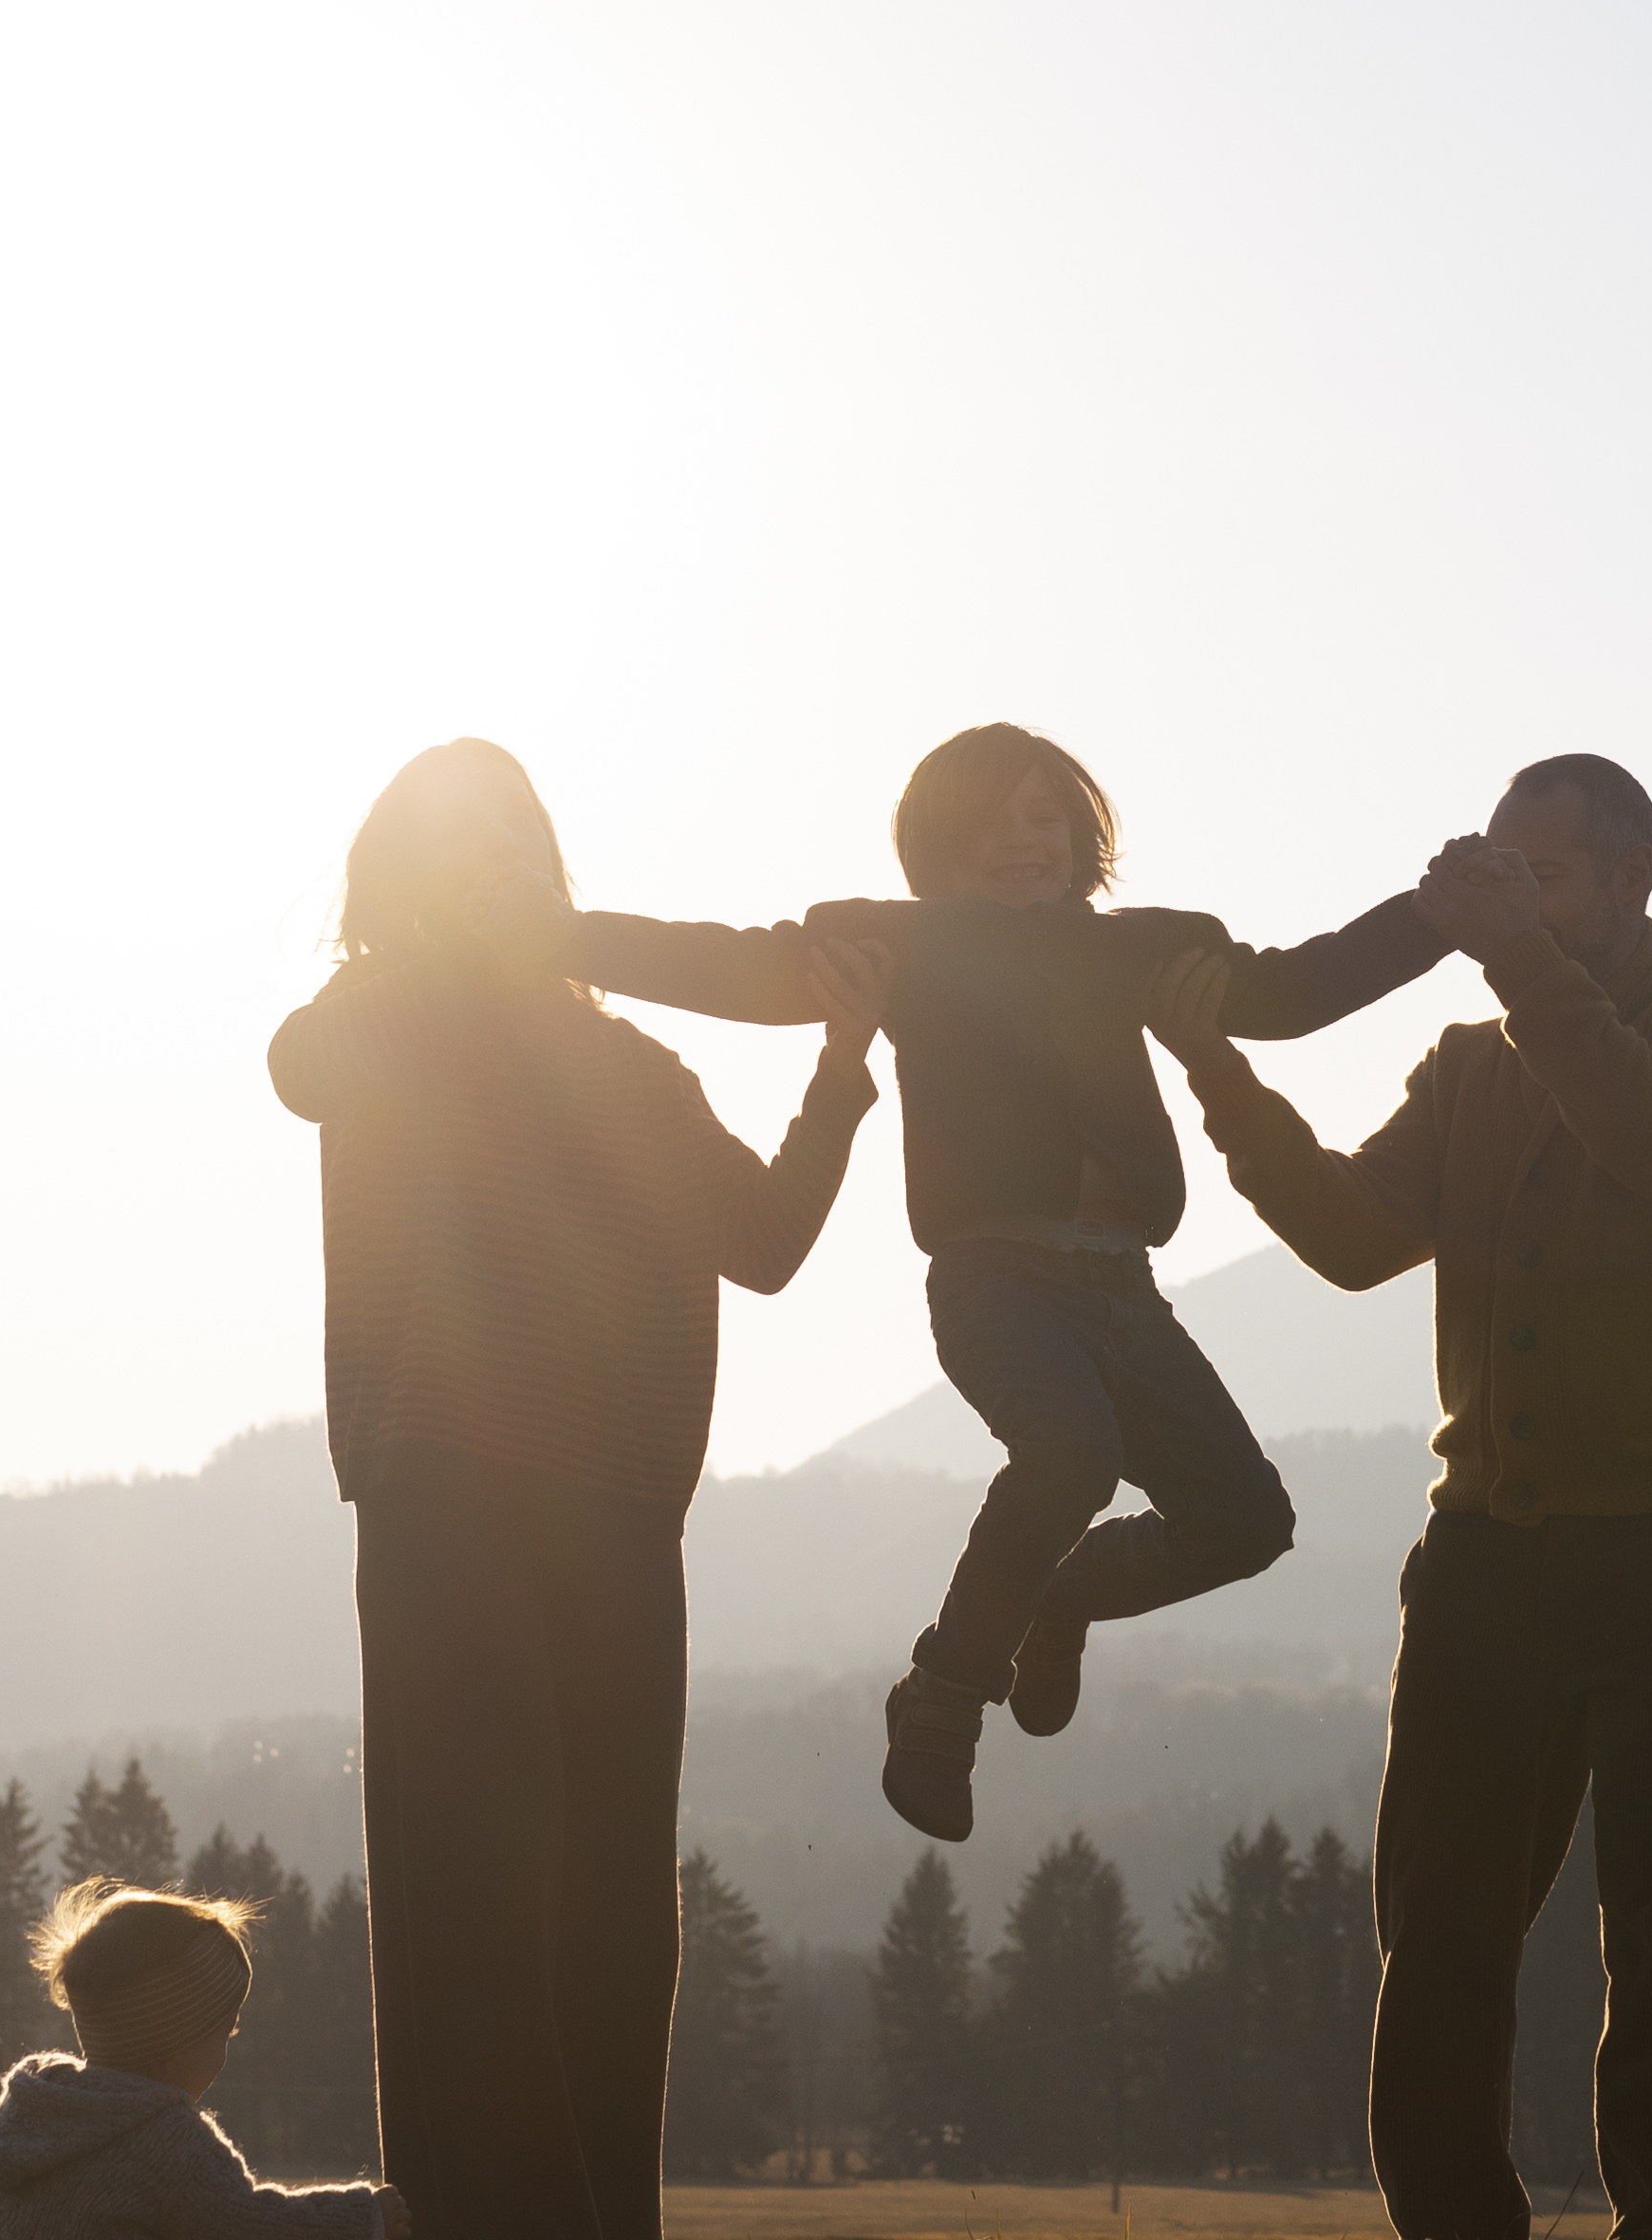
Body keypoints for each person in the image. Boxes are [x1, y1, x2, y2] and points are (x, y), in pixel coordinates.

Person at [1143, 752, 1652, 2240]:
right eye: (1492, 869)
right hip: (1487, 1548)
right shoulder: (1468, 1065)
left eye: (1541, 875)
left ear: (1626, 885)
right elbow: (1357, 1240)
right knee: (1437, 1919)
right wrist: (1221, 1077)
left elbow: (1645, 1134)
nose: (1505, 896)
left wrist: (1514, 960)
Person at [269, 737, 883, 2240]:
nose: (501, 873)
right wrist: (440, 963)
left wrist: (839, 1067)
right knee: (468, 1885)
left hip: (619, 1504)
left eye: (521, 847)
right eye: (459, 853)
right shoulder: (380, 1019)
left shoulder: (632, 1070)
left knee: (611, 1900)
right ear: (401, 887)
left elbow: (762, 1243)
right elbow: (298, 1065)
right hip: (445, 1487)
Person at [574, 722, 1444, 1842]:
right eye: (987, 825)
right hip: (994, 1280)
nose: (1019, 843)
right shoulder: (908, 947)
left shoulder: (1140, 948)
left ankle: (1061, 1593)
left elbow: (1292, 992)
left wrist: (1433, 917)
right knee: (1068, 1453)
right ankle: (941, 1703)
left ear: (1084, 839)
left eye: (1043, 820)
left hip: (1123, 1286)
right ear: (934, 853)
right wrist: (557, 936)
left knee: (1243, 1521)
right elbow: (736, 966)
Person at [0, 1879, 405, 2240]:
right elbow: (247, 2232)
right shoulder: (158, 2136)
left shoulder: (34, 2109)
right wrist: (363, 2218)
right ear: (174, 2045)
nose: (229, 2049)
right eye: (223, 2033)